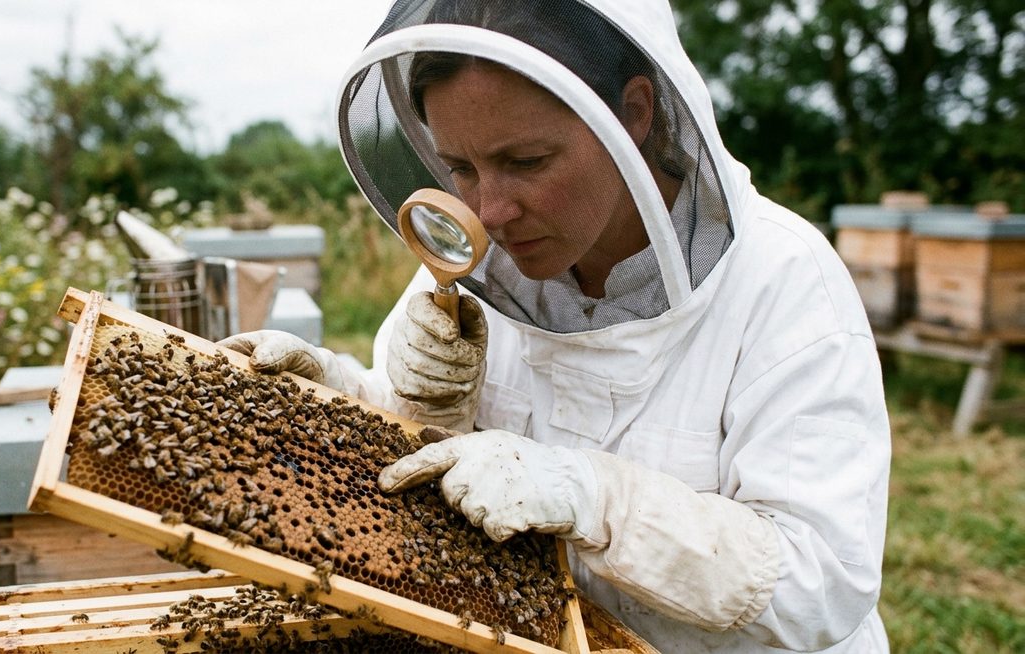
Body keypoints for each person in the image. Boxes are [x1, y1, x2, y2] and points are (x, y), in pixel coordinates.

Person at [222, 1, 892, 651]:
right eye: (460, 166)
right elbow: (422, 457)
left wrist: (595, 499)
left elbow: (820, 583)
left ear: (631, 113)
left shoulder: (785, 282)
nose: (490, 208)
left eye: (526, 163)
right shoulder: (478, 258)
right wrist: (336, 392)